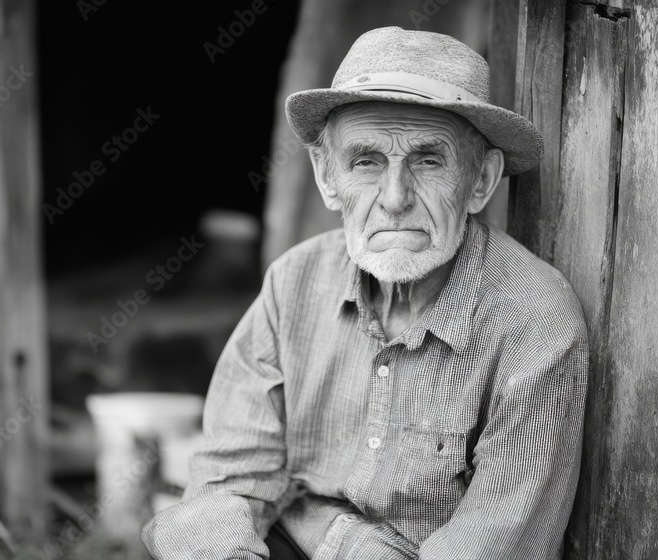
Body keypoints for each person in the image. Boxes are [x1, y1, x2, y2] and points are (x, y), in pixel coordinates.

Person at [142, 26, 588, 559]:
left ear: (481, 182)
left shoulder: (537, 319)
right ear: (328, 178)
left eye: (428, 160)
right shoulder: (295, 282)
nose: (395, 198)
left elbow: (493, 542)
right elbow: (231, 482)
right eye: (366, 161)